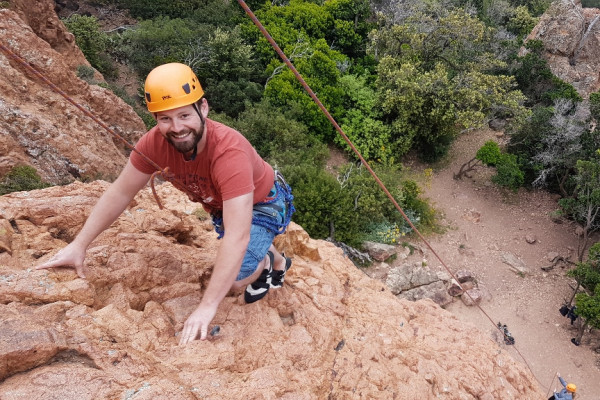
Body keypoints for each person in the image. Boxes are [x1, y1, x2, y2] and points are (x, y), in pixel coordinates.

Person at [36, 63, 294, 345]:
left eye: (184, 115)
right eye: (165, 119)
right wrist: (79, 244)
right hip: (220, 203)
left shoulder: (228, 153)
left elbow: (237, 236)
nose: (177, 128)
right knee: (239, 249)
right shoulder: (154, 144)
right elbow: (120, 192)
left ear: (203, 108)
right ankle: (274, 257)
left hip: (264, 203)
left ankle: (268, 260)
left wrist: (206, 307)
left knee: (234, 280)